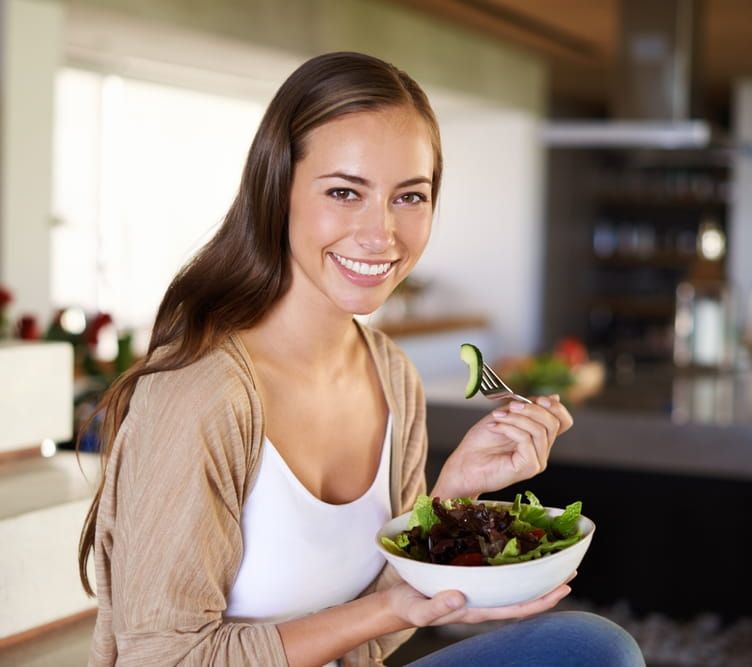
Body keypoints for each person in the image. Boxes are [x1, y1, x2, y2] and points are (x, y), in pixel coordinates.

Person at [78, 51, 644, 667]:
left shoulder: (391, 376)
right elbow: (163, 659)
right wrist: (393, 608)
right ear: (277, 190)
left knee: (591, 648)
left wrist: (451, 499)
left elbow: (379, 635)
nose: (382, 235)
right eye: (345, 192)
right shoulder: (202, 393)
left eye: (410, 197)